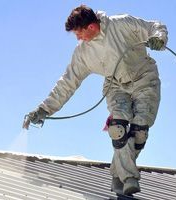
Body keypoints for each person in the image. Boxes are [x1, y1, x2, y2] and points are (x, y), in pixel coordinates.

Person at [25, 5, 168, 196]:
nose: (78, 38)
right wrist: (44, 109)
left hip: (144, 78)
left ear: (91, 27)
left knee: (139, 131)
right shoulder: (82, 53)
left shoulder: (121, 24)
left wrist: (159, 38)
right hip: (115, 85)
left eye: (79, 33)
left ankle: (118, 175)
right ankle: (129, 178)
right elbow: (67, 82)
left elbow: (154, 26)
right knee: (117, 128)